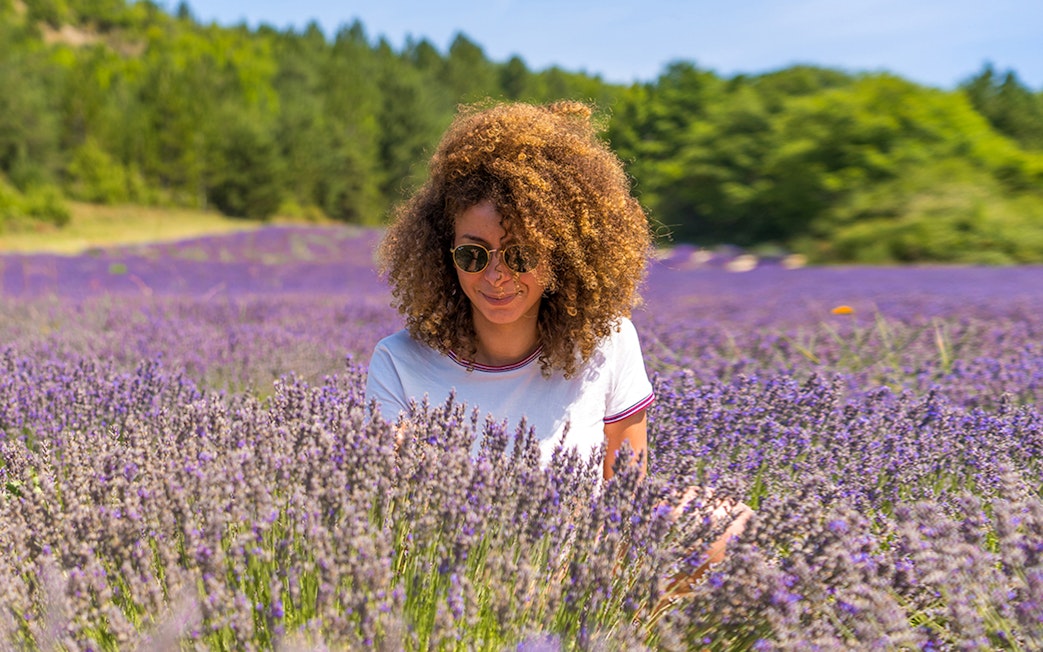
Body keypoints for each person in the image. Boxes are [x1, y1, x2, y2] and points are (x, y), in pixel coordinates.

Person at [365, 100, 749, 585]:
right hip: (458, 578)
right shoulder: (399, 362)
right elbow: (392, 516)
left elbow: (625, 496)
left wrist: (589, 587)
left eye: (522, 253)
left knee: (727, 525)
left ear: (563, 255)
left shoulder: (609, 341)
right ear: (445, 255)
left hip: (579, 571)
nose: (497, 275)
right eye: (472, 253)